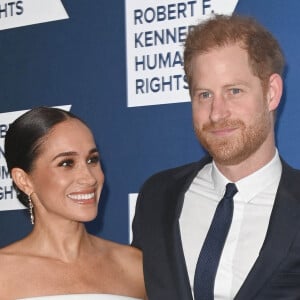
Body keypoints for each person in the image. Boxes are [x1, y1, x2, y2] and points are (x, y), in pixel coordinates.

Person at [132, 14, 300, 300]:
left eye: (234, 91)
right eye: (204, 95)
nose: (217, 113)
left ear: (271, 93)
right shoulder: (157, 196)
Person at [0, 107, 147, 300]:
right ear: (24, 180)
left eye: (92, 160)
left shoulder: (135, 266)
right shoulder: (4, 272)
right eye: (66, 163)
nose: (89, 178)